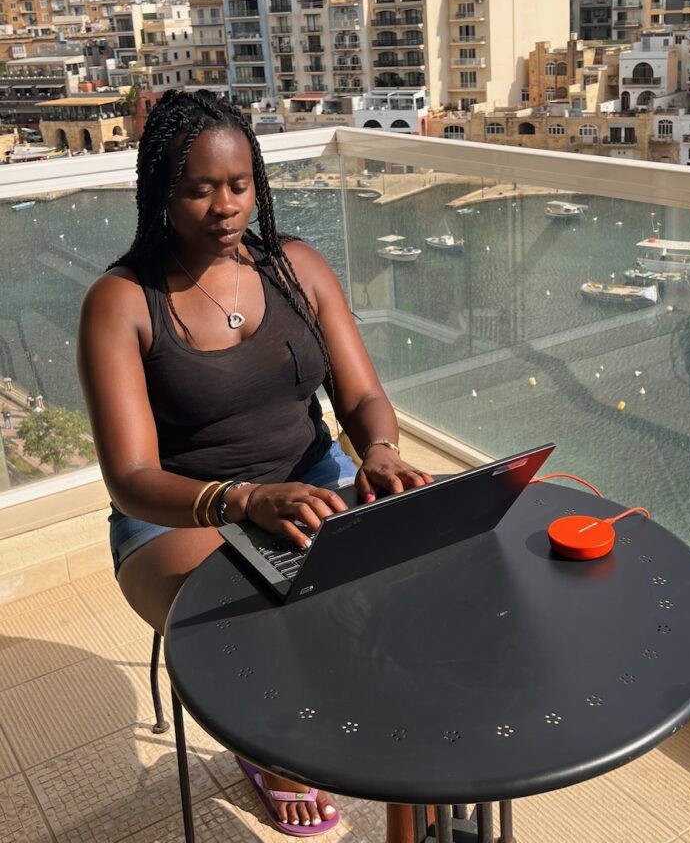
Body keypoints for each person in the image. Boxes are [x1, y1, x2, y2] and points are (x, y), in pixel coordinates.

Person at [77, 89, 432, 837]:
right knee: (275, 625)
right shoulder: (122, 301)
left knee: (412, 616)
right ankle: (274, 752)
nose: (225, 207)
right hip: (180, 514)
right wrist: (243, 498)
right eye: (199, 189)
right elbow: (131, 479)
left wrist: (380, 450)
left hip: (314, 487)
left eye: (238, 186)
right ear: (161, 193)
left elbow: (363, 394)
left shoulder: (295, 267)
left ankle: (416, 821)